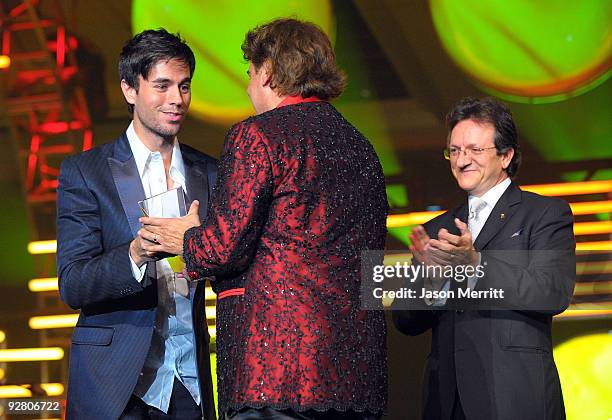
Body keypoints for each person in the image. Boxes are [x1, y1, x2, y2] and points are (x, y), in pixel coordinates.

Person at [138, 18, 388, 420]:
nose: (249, 86)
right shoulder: (362, 148)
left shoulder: (258, 136)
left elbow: (221, 249)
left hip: (275, 373)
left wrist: (185, 237)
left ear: (268, 72)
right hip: (357, 379)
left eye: (251, 74)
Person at [56, 29, 217, 420]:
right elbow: (73, 283)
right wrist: (135, 253)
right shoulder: (86, 172)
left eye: (184, 86)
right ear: (130, 89)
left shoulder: (211, 171)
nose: (176, 99)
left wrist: (203, 248)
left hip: (190, 381)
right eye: (162, 86)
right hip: (115, 384)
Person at [393, 97, 576, 419]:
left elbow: (553, 291)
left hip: (515, 395)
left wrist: (477, 265)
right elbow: (405, 321)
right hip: (447, 400)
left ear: (506, 155)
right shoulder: (436, 229)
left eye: (475, 150)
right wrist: (432, 281)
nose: (462, 160)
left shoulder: (544, 214)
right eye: (455, 150)